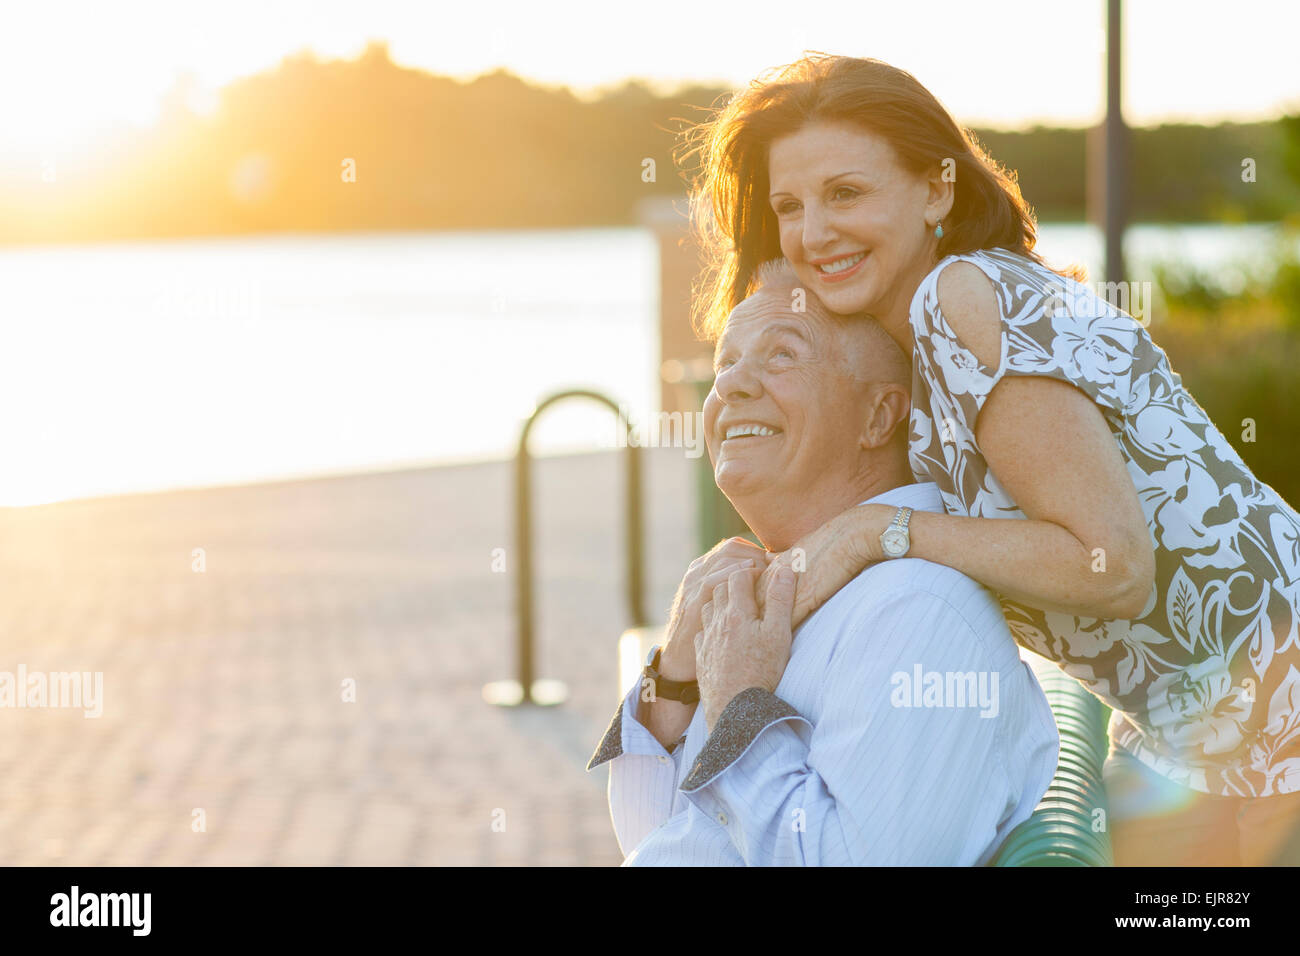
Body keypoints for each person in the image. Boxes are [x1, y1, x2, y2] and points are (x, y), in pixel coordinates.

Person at [684, 52, 1300, 864]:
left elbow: (1111, 565)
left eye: (847, 193)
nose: (812, 233)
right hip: (1202, 736)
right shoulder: (923, 346)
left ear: (937, 189)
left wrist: (880, 531)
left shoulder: (960, 299)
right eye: (791, 205)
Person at [585, 258, 1058, 865]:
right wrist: (673, 681)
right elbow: (658, 838)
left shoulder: (918, 608)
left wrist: (738, 712)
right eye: (727, 360)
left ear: (880, 416)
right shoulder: (792, 590)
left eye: (781, 355)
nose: (729, 385)